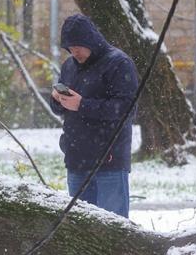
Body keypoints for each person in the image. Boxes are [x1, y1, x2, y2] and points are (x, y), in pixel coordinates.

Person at [50, 13, 139, 218]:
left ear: (90, 39)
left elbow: (127, 108)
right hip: (76, 161)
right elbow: (61, 109)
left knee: (114, 228)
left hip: (109, 161)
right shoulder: (69, 66)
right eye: (70, 48)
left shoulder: (119, 63)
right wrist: (58, 100)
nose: (75, 52)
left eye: (78, 46)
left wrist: (82, 105)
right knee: (82, 231)